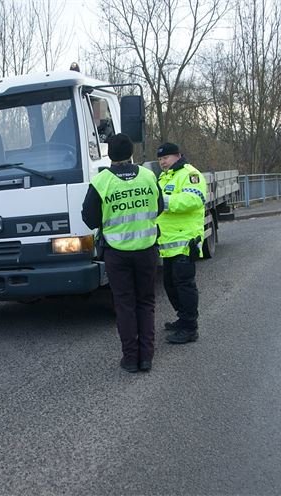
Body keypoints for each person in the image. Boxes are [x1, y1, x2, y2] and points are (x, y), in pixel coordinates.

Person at [82, 133, 164, 373]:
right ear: (131, 153)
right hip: (147, 249)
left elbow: (89, 218)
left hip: (117, 253)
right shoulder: (149, 176)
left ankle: (130, 358)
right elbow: (159, 207)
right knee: (146, 303)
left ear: (110, 155)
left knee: (125, 304)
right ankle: (147, 357)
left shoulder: (102, 181)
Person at [155, 142, 208, 344]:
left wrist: (165, 202)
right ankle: (183, 317)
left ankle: (190, 327)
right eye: (160, 159)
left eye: (165, 158)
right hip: (168, 242)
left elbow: (194, 200)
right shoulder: (164, 177)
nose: (162, 162)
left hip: (185, 240)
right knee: (170, 284)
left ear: (177, 156)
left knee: (184, 285)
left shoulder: (190, 174)